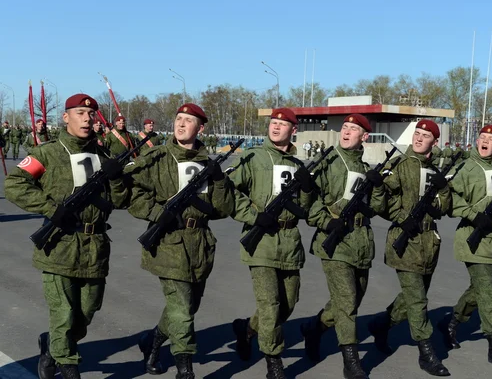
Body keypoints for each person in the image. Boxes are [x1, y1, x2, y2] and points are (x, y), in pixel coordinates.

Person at [4, 94, 128, 379]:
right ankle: (67, 363)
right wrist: (51, 209)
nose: (87, 118)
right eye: (81, 113)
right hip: (59, 244)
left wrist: (117, 176)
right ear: (66, 117)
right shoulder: (47, 153)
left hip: (95, 246)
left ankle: (52, 345)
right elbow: (14, 184)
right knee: (63, 312)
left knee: (86, 312)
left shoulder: (103, 156)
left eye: (91, 114)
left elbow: (120, 200)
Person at [126, 103, 234, 379]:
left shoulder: (209, 164)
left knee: (186, 306)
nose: (181, 124)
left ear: (201, 128)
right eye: (178, 119)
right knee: (183, 311)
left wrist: (219, 181)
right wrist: (159, 214)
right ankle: (185, 368)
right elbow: (133, 195)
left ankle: (152, 341)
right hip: (168, 242)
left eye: (189, 120)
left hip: (200, 243)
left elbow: (222, 209)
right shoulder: (157, 157)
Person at [228, 108, 315, 378]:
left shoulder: (298, 166)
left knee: (288, 302)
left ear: (294, 130)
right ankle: (273, 361)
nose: (276, 128)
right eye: (273, 123)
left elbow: (306, 208)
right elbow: (229, 192)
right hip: (262, 241)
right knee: (270, 305)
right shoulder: (254, 157)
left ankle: (248, 329)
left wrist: (309, 189)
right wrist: (254, 216)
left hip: (290, 241)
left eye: (282, 124)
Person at [302, 114, 386, 379]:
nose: (346, 131)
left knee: (353, 298)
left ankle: (315, 328)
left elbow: (377, 208)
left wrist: (379, 186)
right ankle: (351, 359)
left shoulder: (364, 167)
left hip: (361, 241)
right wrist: (326, 222)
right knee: (347, 300)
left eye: (354, 128)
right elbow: (308, 200)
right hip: (335, 241)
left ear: (365, 137)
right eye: (344, 127)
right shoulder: (328, 161)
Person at [368, 120, 452, 376]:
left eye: (425, 135)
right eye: (417, 133)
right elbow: (381, 204)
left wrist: (443, 188)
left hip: (429, 242)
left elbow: (444, 208)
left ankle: (382, 324)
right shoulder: (400, 165)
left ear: (434, 142)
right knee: (417, 299)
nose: (419, 138)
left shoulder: (435, 169)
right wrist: (403, 217)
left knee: (411, 297)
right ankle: (427, 352)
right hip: (405, 241)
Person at [440, 125, 492, 370]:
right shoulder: (465, 167)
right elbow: (450, 198)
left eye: (490, 139)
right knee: (489, 290)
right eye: (482, 137)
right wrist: (473, 215)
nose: (484, 141)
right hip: (473, 235)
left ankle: (452, 322)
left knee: (479, 289)